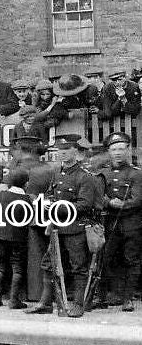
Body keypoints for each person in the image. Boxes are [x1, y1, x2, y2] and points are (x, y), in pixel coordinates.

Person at [26, 135, 96, 318]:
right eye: (60, 150)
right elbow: (50, 193)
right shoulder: (57, 173)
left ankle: (78, 304)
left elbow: (85, 204)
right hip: (57, 228)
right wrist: (45, 202)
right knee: (49, 265)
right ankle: (45, 303)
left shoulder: (84, 176)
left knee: (78, 266)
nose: (63, 153)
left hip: (75, 228)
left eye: (67, 150)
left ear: (75, 151)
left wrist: (58, 207)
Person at [96, 132, 142, 311]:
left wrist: (122, 204)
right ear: (109, 151)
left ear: (128, 150)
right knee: (106, 258)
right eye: (114, 149)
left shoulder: (136, 174)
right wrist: (109, 202)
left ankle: (128, 298)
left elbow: (138, 199)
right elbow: (98, 196)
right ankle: (109, 295)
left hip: (132, 224)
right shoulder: (104, 173)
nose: (118, 153)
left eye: (121, 149)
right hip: (109, 223)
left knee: (132, 260)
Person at [0, 168, 30, 309]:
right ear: (26, 184)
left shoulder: (0, 195)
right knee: (17, 269)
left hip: (0, 236)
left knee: (0, 267)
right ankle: (14, 301)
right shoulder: (26, 199)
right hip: (18, 239)